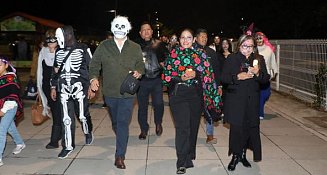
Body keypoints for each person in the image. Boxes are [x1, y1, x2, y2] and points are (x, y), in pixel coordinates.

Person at [162, 28, 222, 174]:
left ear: (193, 39)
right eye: (183, 37)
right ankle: (181, 161)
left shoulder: (200, 54)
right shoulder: (174, 53)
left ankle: (189, 154)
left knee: (193, 126)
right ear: (179, 40)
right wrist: (179, 78)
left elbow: (209, 75)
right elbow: (166, 77)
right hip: (178, 94)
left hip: (195, 95)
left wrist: (197, 75)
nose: (185, 40)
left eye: (188, 37)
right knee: (182, 127)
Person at [88, 16, 144, 169]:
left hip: (128, 92)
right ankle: (119, 131)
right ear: (113, 28)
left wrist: (139, 71)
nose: (120, 28)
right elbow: (94, 64)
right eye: (117, 26)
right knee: (116, 122)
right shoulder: (104, 46)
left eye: (122, 26)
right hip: (110, 92)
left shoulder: (135, 47)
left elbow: (140, 63)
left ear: (128, 28)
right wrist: (93, 78)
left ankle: (120, 155)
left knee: (123, 123)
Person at [221, 34, 270, 171]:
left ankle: (243, 154)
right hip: (236, 100)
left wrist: (258, 73)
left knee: (249, 128)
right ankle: (235, 156)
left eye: (250, 46)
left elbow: (266, 78)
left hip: (252, 101)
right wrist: (237, 77)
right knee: (237, 129)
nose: (247, 49)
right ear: (239, 45)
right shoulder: (232, 58)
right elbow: (223, 78)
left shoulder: (258, 59)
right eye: (244, 46)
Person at [50, 25, 94, 159]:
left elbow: (92, 67)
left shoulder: (83, 49)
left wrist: (91, 86)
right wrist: (53, 86)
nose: (58, 40)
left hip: (79, 87)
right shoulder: (59, 52)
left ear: (68, 35)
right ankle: (68, 146)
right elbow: (55, 70)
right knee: (66, 119)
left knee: (82, 115)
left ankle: (88, 132)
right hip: (63, 88)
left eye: (60, 37)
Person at [135, 21, 168, 140]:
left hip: (156, 80)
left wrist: (166, 73)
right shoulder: (135, 46)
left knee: (158, 104)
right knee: (142, 107)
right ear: (140, 33)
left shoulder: (159, 44)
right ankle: (144, 129)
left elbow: (166, 60)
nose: (146, 32)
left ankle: (158, 123)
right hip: (141, 81)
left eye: (148, 29)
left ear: (152, 31)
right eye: (143, 30)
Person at [193, 28, 223, 144]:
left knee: (210, 111)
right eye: (201, 36)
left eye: (205, 36)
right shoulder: (191, 51)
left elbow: (217, 70)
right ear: (196, 38)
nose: (204, 38)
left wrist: (219, 86)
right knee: (194, 111)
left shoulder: (211, 52)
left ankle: (210, 135)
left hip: (210, 87)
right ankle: (192, 134)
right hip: (195, 87)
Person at [37, 29, 62, 149]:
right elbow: (39, 71)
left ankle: (54, 140)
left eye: (54, 38)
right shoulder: (43, 51)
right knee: (56, 111)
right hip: (46, 86)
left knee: (58, 112)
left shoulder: (62, 51)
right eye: (49, 38)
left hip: (59, 87)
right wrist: (39, 87)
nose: (51, 41)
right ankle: (58, 135)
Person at [0, 55, 25, 167]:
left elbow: (13, 95)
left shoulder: (10, 77)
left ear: (6, 65)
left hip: (10, 106)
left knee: (1, 130)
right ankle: (20, 143)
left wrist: (4, 110)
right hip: (2, 107)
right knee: (10, 127)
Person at [255, 32, 278, 120]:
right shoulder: (253, 49)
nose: (259, 40)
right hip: (256, 75)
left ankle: (259, 109)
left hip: (266, 75)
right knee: (259, 95)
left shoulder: (269, 50)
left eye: (260, 38)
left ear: (264, 39)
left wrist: (275, 72)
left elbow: (273, 62)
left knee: (266, 94)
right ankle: (260, 112)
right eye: (257, 38)